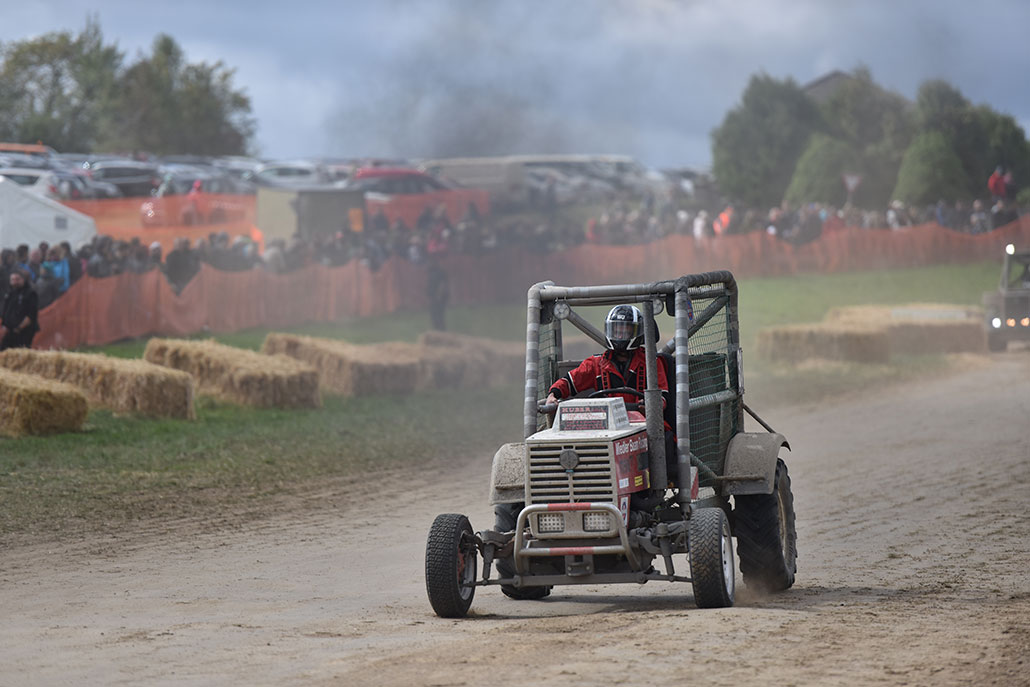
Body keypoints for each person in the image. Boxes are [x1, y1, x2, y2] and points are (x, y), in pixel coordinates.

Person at [0, 269, 40, 350]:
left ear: (23, 280)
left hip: (24, 331)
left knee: (21, 351)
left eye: (17, 279)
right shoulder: (10, 293)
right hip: (9, 330)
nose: (15, 282)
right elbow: (5, 311)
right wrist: (4, 325)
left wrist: (19, 328)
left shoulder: (30, 293)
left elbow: (31, 315)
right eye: (12, 280)